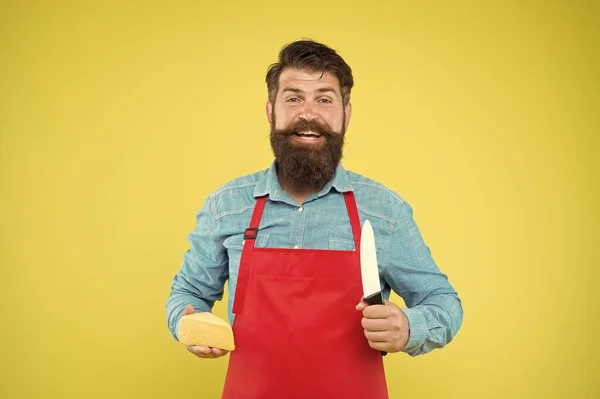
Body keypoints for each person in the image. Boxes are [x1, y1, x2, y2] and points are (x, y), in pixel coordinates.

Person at [166, 39, 463, 399]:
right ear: (270, 111)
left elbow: (443, 302)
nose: (309, 114)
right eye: (293, 98)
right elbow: (189, 293)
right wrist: (189, 324)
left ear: (346, 114)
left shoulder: (384, 212)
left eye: (324, 99)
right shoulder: (227, 206)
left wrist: (409, 326)